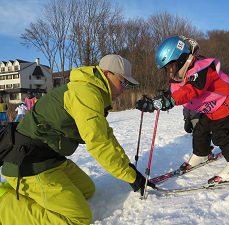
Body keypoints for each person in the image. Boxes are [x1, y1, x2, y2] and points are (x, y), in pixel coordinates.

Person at [0, 54, 155, 225]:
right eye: (123, 82)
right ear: (106, 74)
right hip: (29, 163)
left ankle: (26, 192)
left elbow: (106, 136)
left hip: (51, 159)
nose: (125, 88)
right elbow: (99, 143)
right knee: (78, 218)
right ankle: (4, 204)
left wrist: (128, 168)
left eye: (128, 84)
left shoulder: (93, 93)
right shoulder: (86, 93)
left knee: (87, 190)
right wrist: (131, 177)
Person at [136, 36, 229, 184]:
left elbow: (191, 90)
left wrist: (170, 101)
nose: (170, 72)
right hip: (213, 109)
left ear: (181, 59)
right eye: (167, 70)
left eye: (171, 67)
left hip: (227, 105)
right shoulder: (180, 77)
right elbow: (174, 93)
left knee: (220, 135)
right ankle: (202, 153)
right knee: (201, 129)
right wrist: (156, 102)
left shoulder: (201, 68)